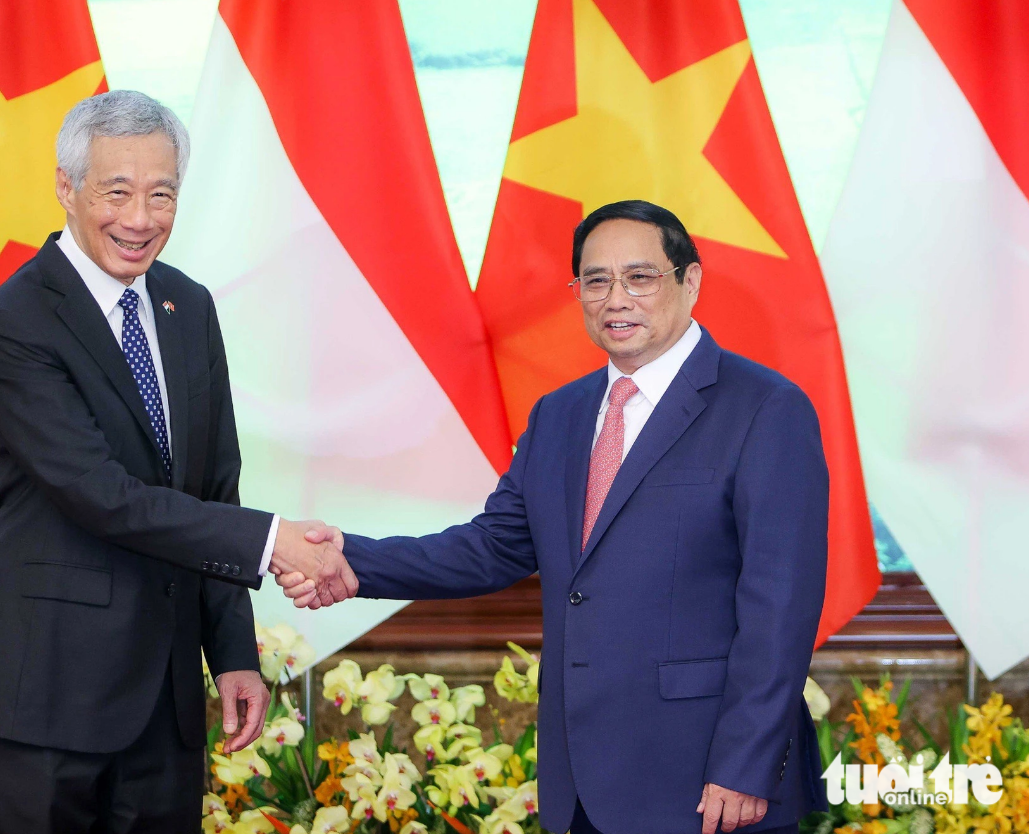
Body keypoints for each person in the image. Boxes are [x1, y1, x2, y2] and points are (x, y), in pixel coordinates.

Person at [279, 201, 829, 834]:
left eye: (640, 277)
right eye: (596, 281)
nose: (616, 299)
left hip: (709, 779)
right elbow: (493, 547)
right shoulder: (559, 414)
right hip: (583, 782)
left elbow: (780, 608)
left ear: (690, 281)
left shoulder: (765, 408)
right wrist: (348, 558)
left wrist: (746, 764)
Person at [0, 90, 354, 833]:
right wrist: (274, 542)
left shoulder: (187, 306)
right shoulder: (10, 324)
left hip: (162, 711)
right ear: (66, 186)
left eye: (161, 194)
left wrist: (231, 652)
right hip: (45, 701)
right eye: (117, 192)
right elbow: (102, 495)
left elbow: (213, 489)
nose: (140, 219)